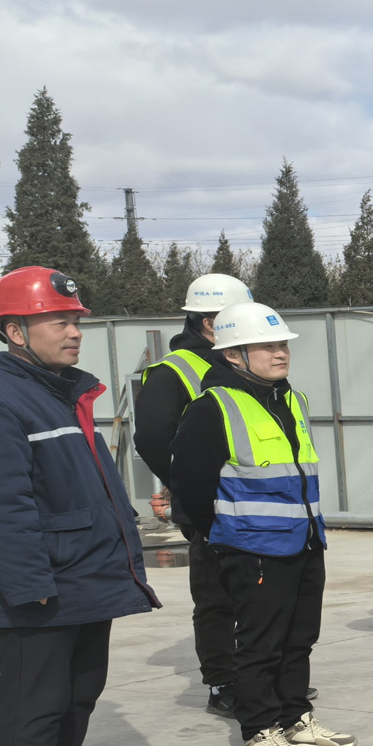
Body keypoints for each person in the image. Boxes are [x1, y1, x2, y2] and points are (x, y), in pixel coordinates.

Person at [0, 267, 161, 746]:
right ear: (15, 332)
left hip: (84, 574)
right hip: (41, 583)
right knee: (35, 704)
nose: (74, 332)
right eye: (59, 322)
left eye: (75, 321)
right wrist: (27, 583)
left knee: (78, 692)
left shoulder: (59, 393)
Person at [168, 301, 356, 746]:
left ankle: (294, 717)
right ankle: (258, 732)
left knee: (300, 637)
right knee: (260, 642)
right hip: (253, 547)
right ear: (233, 354)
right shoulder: (212, 407)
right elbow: (190, 484)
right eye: (267, 346)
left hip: (304, 539)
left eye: (282, 344)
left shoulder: (292, 400)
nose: (280, 353)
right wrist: (222, 536)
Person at [133, 271, 248, 715]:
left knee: (258, 595)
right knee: (217, 596)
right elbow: (152, 439)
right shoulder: (174, 372)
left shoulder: (240, 361)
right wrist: (188, 486)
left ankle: (256, 675)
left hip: (255, 503)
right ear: (209, 323)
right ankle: (224, 683)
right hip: (210, 506)